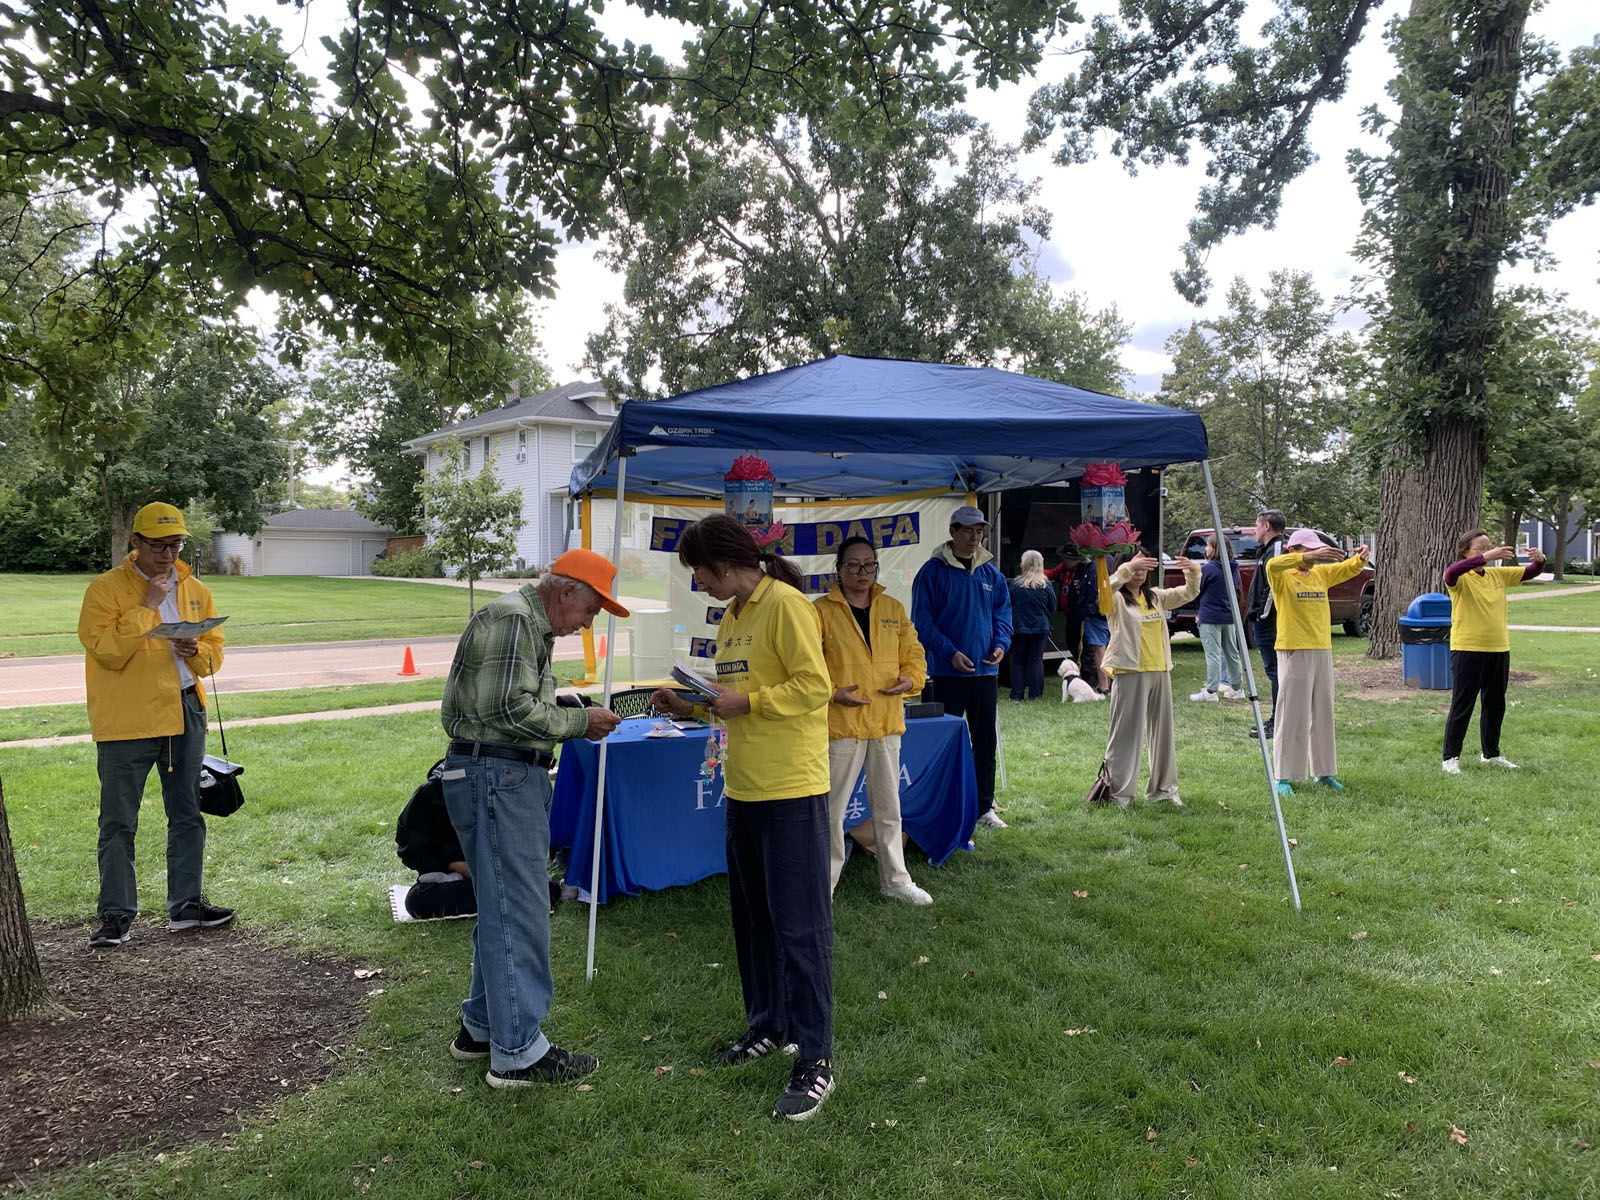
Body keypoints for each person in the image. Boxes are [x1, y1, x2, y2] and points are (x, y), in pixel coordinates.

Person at [649, 514, 836, 1122]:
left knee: (800, 927)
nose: (698, 582)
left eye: (699, 571)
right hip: (745, 789)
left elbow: (814, 686)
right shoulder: (731, 616)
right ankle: (768, 1025)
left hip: (791, 789)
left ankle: (815, 1057)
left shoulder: (786, 606)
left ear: (725, 563)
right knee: (754, 920)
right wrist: (693, 705)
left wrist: (748, 702)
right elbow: (734, 704)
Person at [439, 547, 624, 1088]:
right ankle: (517, 1051)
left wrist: (563, 709)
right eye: (590, 611)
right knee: (520, 910)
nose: (587, 624)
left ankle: (481, 1028)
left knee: (502, 905)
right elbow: (506, 709)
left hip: (494, 774)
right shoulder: (516, 620)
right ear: (566, 592)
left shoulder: (521, 621)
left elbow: (501, 703)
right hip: (498, 776)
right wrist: (578, 722)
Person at [78, 502, 232, 948]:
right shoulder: (105, 589)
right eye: (158, 546)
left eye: (175, 545)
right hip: (127, 717)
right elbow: (106, 651)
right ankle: (116, 915)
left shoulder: (195, 589)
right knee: (118, 820)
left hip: (184, 712)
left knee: (187, 812)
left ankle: (186, 905)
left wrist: (196, 651)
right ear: (135, 542)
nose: (167, 555)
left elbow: (213, 656)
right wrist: (147, 605)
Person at [813, 535, 931, 905]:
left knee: (888, 807)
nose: (862, 572)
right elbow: (808, 665)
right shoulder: (820, 612)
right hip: (842, 725)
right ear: (838, 569)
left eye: (869, 565)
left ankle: (895, 880)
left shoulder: (893, 608)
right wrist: (834, 692)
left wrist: (911, 679)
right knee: (831, 811)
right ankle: (822, 887)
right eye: (853, 565)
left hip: (885, 721)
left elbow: (914, 653)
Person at [911, 505, 1013, 828]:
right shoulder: (932, 573)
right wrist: (950, 653)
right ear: (952, 532)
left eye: (979, 531)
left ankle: (984, 808)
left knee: (985, 743)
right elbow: (922, 622)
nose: (974, 537)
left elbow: (1003, 616)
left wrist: (1001, 645)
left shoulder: (991, 575)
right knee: (943, 744)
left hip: (985, 673)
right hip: (946, 674)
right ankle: (942, 806)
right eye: (968, 531)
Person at [1264, 531, 1370, 796]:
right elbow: (1272, 564)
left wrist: (1360, 559)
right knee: (1292, 713)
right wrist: (1305, 557)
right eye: (1309, 550)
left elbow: (1346, 569)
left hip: (1321, 648)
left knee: (1323, 711)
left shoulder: (1320, 574)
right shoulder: (1282, 574)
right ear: (1293, 549)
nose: (1315, 555)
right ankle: (1283, 776)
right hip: (1294, 648)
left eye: (1316, 550)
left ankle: (1323, 772)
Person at [1098, 552, 1201, 807]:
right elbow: (1103, 592)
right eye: (1136, 568)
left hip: (1160, 670)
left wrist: (1193, 572)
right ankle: (1119, 794)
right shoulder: (1116, 598)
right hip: (1130, 671)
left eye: (1144, 568)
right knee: (1125, 735)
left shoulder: (1154, 596)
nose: (1139, 574)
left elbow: (1187, 594)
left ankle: (1164, 791)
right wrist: (1126, 569)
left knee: (1163, 734)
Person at [1440, 531, 1545, 775]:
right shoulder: (1459, 577)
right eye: (1481, 548)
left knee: (1495, 704)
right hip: (1467, 649)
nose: (1488, 551)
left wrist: (1540, 560)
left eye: (1489, 547)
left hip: (1498, 648)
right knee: (1463, 704)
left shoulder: (1498, 575)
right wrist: (1487, 556)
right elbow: (1450, 572)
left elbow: (1530, 572)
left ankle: (1491, 754)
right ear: (1465, 552)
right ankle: (1450, 758)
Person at [1191, 535, 1246, 702]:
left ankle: (1210, 691)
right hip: (1228, 615)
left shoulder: (1208, 569)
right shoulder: (1233, 567)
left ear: (1215, 548)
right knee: (1231, 653)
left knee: (1213, 654)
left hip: (1210, 616)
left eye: (1208, 545)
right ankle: (1237, 688)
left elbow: (1197, 589)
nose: (1205, 549)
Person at [1007, 550, 1057, 701]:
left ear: (1024, 564)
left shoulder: (1015, 585)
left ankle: (1017, 695)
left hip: (1018, 627)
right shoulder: (1046, 585)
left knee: (1018, 660)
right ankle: (1036, 695)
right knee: (1036, 660)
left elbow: (1008, 605)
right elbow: (1052, 606)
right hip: (1040, 627)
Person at [1045, 547, 1086, 670]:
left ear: (1077, 559)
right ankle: (1079, 666)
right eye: (1064, 557)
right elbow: (1050, 573)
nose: (1064, 560)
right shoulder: (1063, 568)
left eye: (1068, 558)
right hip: (1069, 615)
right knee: (1070, 641)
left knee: (1082, 645)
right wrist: (1035, 573)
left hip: (1080, 615)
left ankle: (1086, 671)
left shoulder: (1084, 570)